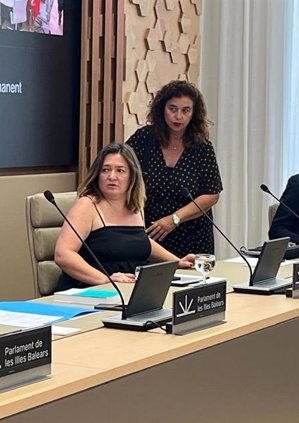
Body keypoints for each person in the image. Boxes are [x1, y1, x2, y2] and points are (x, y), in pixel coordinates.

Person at [54, 143, 195, 291]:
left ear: (132, 176)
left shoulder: (135, 205)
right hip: (91, 290)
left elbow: (137, 241)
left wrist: (176, 262)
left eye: (120, 171)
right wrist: (105, 279)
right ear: (97, 175)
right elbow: (63, 254)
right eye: (105, 170)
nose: (112, 177)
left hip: (132, 288)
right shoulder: (87, 205)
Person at [126, 80, 223, 258]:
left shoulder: (201, 147)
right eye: (173, 109)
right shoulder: (144, 139)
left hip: (192, 234)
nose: (178, 116)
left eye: (185, 110)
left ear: (194, 113)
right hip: (152, 230)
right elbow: (122, 167)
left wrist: (174, 219)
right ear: (162, 109)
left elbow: (212, 194)